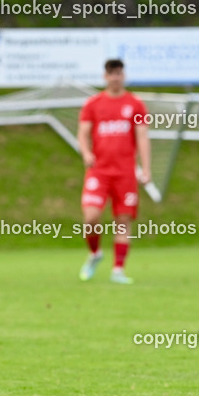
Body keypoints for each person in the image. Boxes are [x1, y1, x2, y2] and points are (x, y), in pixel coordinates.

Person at [76, 59, 151, 285]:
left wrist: (146, 169)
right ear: (105, 76)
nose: (115, 77)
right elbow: (82, 133)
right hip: (99, 172)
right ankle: (95, 253)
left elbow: (142, 137)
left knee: (123, 220)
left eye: (118, 73)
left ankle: (118, 269)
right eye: (111, 73)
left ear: (123, 75)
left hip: (125, 173)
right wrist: (86, 153)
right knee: (91, 218)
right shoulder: (93, 104)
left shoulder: (135, 104)